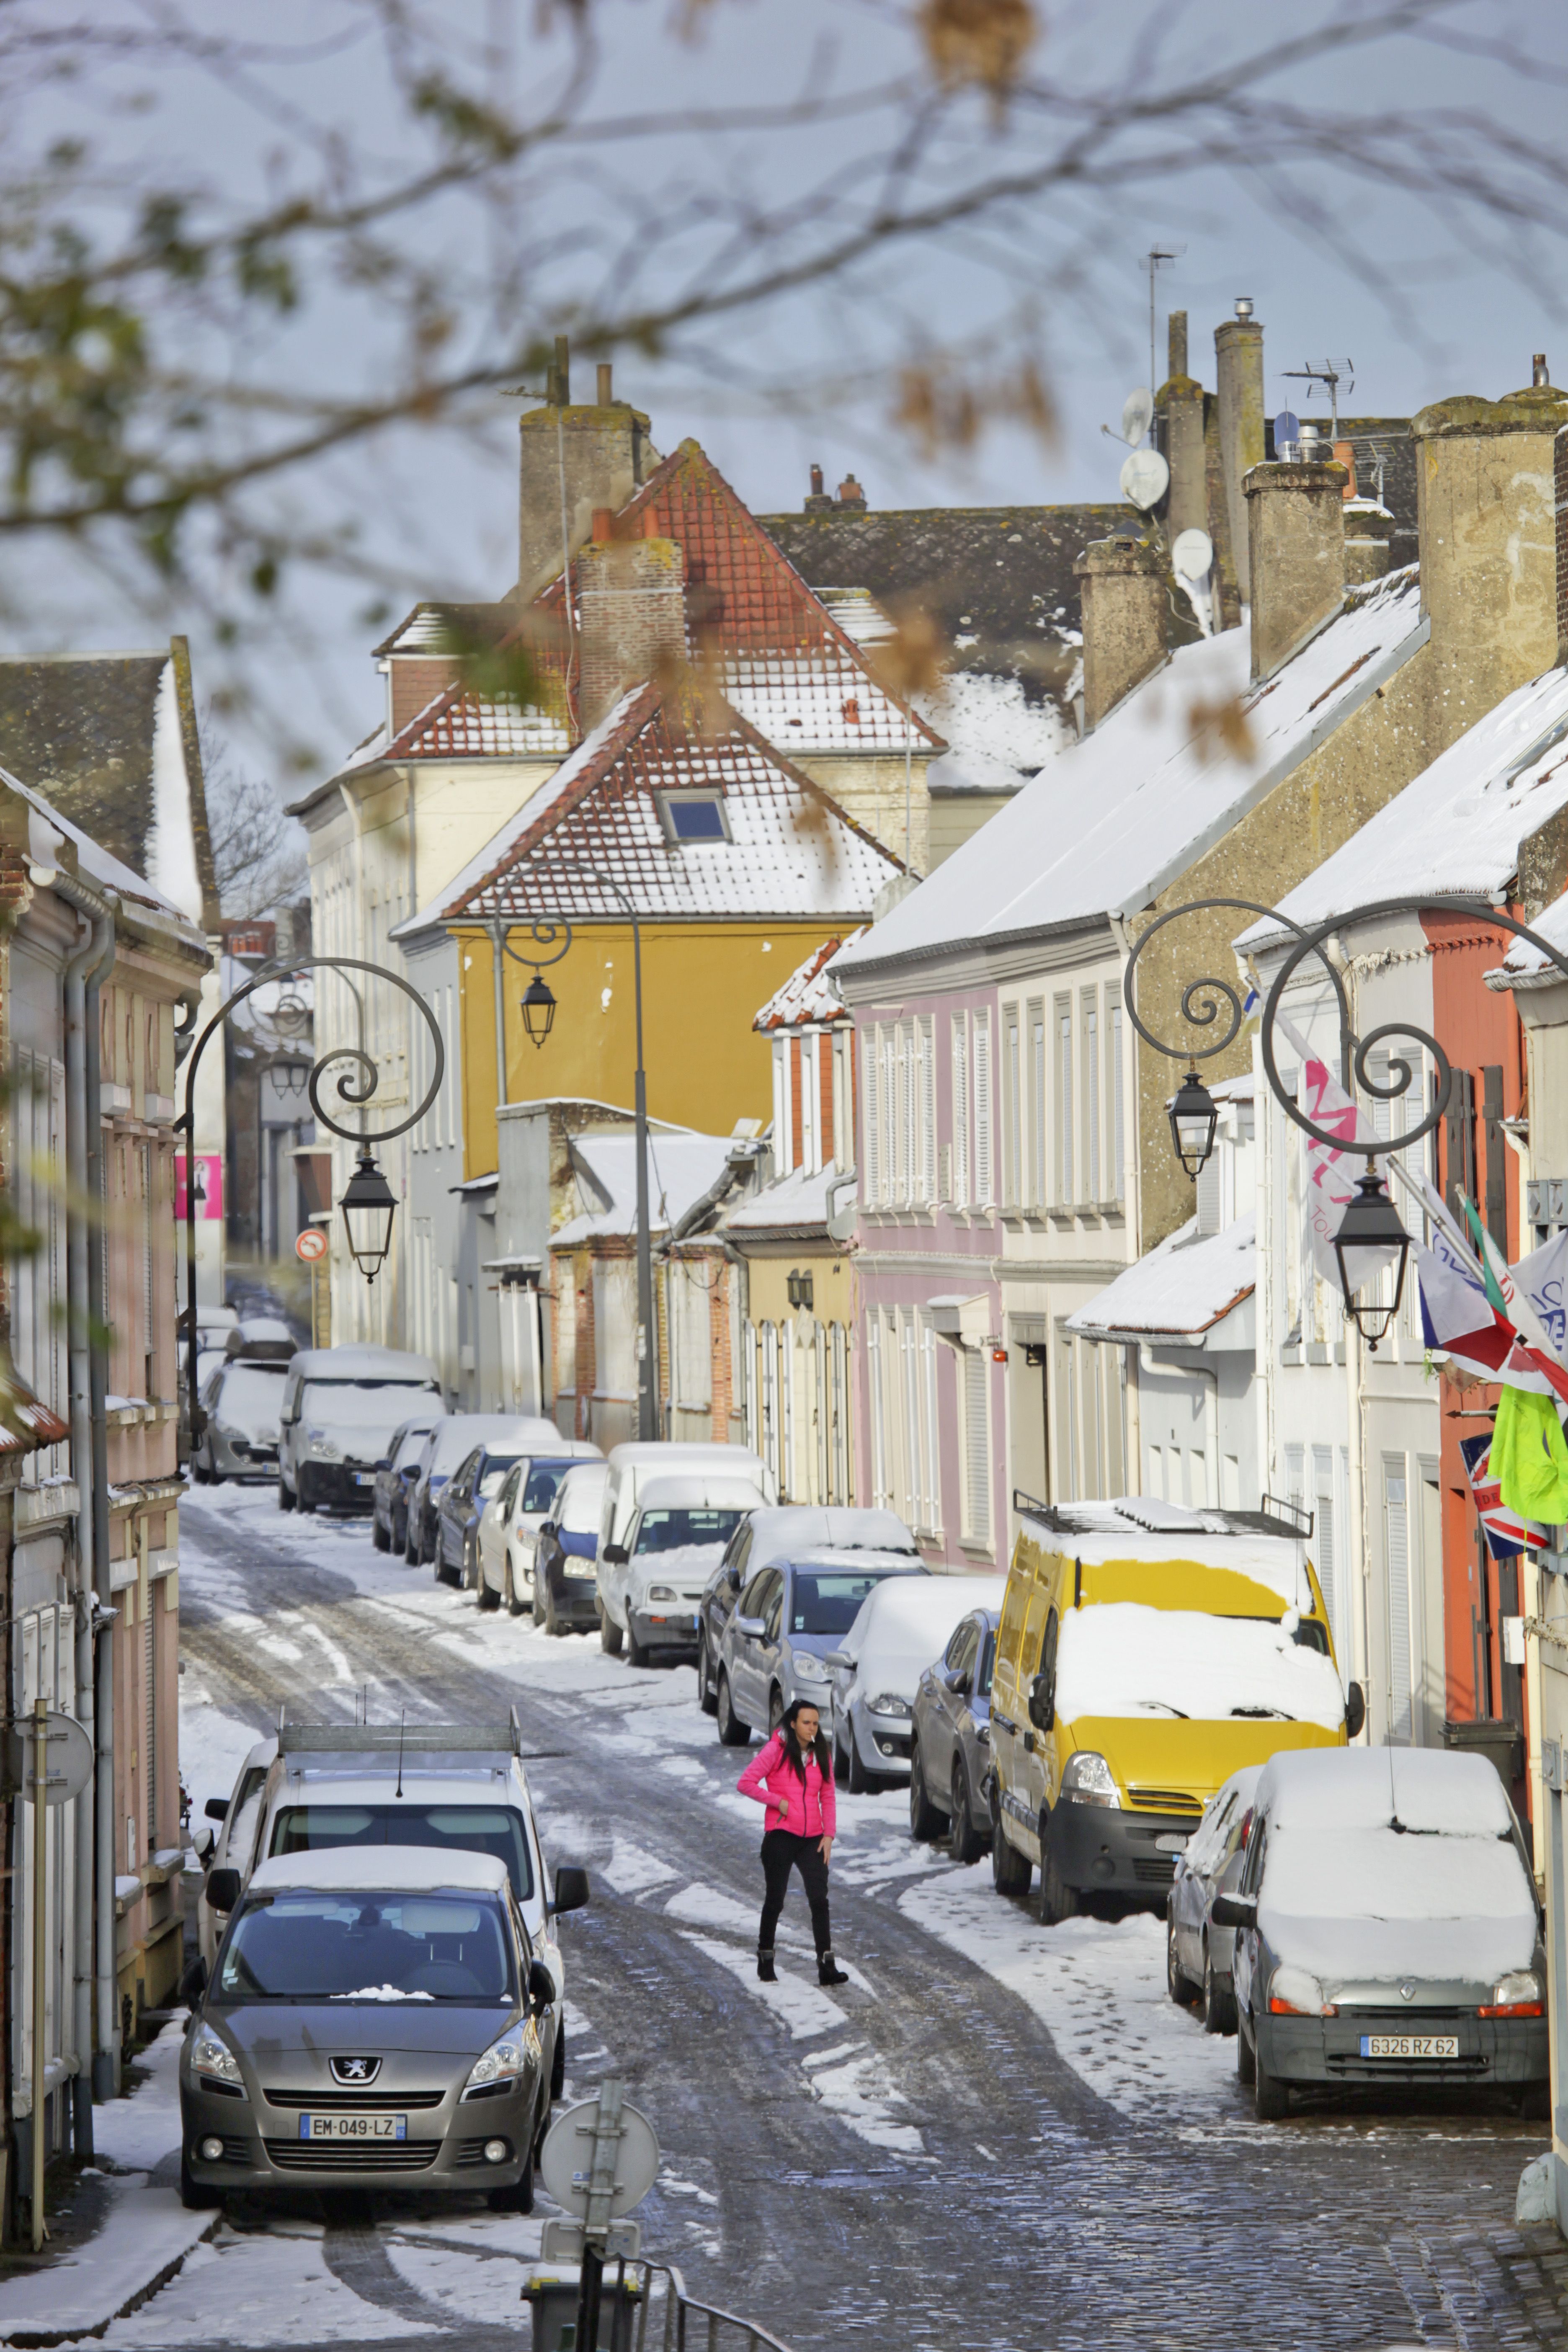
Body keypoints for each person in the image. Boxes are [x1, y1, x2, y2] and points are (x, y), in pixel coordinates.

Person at [737, 1698, 848, 1988]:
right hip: (781, 1835)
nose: (812, 1728)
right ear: (793, 1724)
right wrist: (778, 1803)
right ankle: (765, 1958)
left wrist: (829, 1835)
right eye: (806, 1723)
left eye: (816, 1723)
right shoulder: (776, 1750)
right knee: (776, 1899)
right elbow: (746, 1782)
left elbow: (829, 1795)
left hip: (813, 1837)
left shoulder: (821, 1752)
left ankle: (827, 1965)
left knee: (819, 1901)